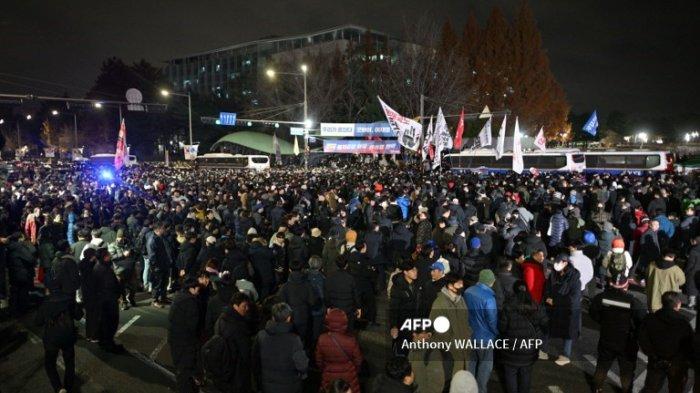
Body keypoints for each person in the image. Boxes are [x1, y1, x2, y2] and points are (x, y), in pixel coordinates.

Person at [589, 275, 647, 393]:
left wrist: (603, 322)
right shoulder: (634, 302)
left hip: (607, 337)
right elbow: (642, 322)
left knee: (602, 365)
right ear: (626, 286)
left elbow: (593, 313)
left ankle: (596, 387)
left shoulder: (601, 298)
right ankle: (626, 390)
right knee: (626, 371)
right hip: (627, 342)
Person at [497, 281, 548, 393]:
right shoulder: (535, 305)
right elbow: (545, 324)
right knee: (526, 374)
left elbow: (502, 328)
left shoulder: (508, 306)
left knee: (510, 374)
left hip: (510, 349)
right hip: (529, 350)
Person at [638, 291, 693, 393]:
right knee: (676, 389)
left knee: (651, 388)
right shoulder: (683, 323)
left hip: (656, 362)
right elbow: (688, 345)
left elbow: (643, 339)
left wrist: (652, 354)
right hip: (676, 364)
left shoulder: (650, 319)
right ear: (678, 304)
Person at [35, 281, 83, 393]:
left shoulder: (46, 302)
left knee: (50, 363)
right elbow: (79, 315)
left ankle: (58, 388)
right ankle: (68, 387)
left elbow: (38, 322)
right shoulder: (69, 299)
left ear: (49, 289)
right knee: (69, 362)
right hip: (68, 335)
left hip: (52, 338)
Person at [253, 302, 309, 393]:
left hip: (267, 385)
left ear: (273, 317)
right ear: (289, 318)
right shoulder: (294, 340)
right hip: (290, 386)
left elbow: (255, 361)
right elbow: (302, 365)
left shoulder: (261, 336)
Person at [430, 272, 471, 381]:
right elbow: (438, 329)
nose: (462, 286)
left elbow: (466, 320)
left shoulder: (460, 299)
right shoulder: (439, 303)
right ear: (450, 286)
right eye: (459, 284)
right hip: (451, 351)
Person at [464, 269, 498, 393]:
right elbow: (492, 321)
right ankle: (481, 389)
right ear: (491, 282)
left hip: (469, 334)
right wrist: (496, 333)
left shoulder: (468, 291)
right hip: (485, 337)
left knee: (471, 363)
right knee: (485, 365)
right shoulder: (489, 298)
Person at [211, 292, 253, 393]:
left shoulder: (222, 318)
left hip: (224, 368)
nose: (247, 309)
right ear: (235, 306)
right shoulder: (237, 326)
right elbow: (245, 351)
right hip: (236, 370)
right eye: (244, 306)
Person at [544, 254, 581, 366]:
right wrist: (548, 296)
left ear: (565, 263)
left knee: (567, 331)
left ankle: (565, 355)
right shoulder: (553, 275)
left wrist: (556, 301)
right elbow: (548, 287)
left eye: (558, 262)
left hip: (567, 309)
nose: (556, 265)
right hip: (553, 306)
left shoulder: (574, 279)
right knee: (546, 326)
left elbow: (573, 298)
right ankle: (542, 349)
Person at [315, 308, 363, 393]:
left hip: (329, 375)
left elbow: (319, 360)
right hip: (348, 375)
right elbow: (358, 360)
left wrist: (324, 369)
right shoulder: (351, 340)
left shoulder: (322, 339)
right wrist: (354, 370)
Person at [168, 277, 202, 393]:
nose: (198, 291)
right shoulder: (190, 302)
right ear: (191, 288)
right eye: (197, 288)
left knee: (180, 369)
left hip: (174, 338)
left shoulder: (178, 297)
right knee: (185, 371)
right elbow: (193, 326)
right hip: (185, 341)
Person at [278, 259, 318, 344]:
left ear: (289, 269)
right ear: (302, 269)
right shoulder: (307, 285)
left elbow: (280, 303)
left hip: (289, 318)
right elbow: (313, 301)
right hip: (304, 316)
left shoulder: (285, 287)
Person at [92, 247, 124, 353]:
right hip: (108, 301)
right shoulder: (104, 269)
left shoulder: (99, 267)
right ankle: (108, 344)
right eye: (108, 255)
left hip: (103, 300)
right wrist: (117, 292)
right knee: (110, 323)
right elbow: (110, 286)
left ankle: (105, 342)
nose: (110, 256)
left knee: (104, 323)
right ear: (105, 257)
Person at [389, 260, 419, 356]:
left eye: (415, 269)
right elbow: (393, 308)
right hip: (402, 323)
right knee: (402, 348)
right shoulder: (398, 287)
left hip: (414, 321)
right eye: (412, 270)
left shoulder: (416, 283)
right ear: (405, 272)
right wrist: (394, 326)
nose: (415, 272)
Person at [325, 255, 361, 327]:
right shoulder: (350, 278)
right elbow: (355, 295)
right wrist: (358, 307)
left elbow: (326, 294)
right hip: (348, 310)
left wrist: (328, 306)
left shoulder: (330, 278)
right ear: (346, 265)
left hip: (334, 309)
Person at [147, 222, 172, 308]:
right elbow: (152, 255)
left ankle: (163, 297)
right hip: (158, 266)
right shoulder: (152, 240)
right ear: (158, 229)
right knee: (157, 283)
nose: (164, 229)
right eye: (162, 228)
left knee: (164, 282)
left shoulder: (159, 237)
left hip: (164, 264)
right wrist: (155, 267)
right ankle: (155, 300)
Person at [683, 235, 700, 308]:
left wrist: (685, 272)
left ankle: (691, 304)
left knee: (692, 288)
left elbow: (690, 265)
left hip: (693, 272)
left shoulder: (694, 251)